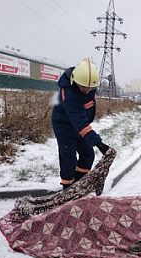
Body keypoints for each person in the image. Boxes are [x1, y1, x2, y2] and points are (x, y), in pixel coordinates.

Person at [51, 58, 111, 189]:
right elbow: (80, 124)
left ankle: (79, 182)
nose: (87, 90)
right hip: (64, 126)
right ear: (75, 81)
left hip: (79, 125)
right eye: (84, 87)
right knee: (68, 158)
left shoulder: (89, 87)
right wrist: (99, 143)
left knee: (88, 154)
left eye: (91, 87)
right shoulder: (69, 95)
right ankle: (67, 188)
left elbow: (82, 121)